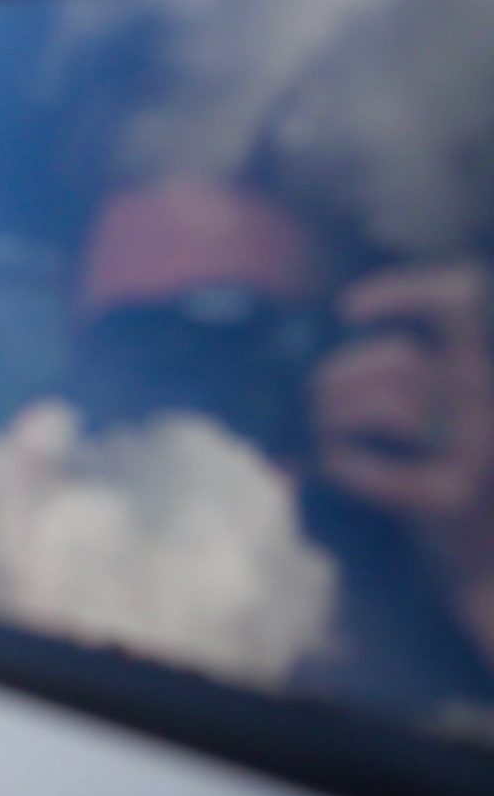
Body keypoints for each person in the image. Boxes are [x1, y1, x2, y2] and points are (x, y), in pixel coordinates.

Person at [69, 176, 494, 713]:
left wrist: (479, 558)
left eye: (240, 348)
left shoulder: (420, 590)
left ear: (346, 352)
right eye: (140, 350)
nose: (195, 410)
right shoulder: (3, 540)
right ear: (73, 367)